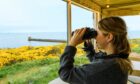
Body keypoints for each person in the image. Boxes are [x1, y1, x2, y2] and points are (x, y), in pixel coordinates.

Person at [58, 16, 133, 84]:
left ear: (109, 37)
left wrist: (72, 45)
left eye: (96, 33)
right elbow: (98, 62)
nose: (95, 37)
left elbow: (66, 74)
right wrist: (88, 47)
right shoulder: (119, 58)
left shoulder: (107, 66)